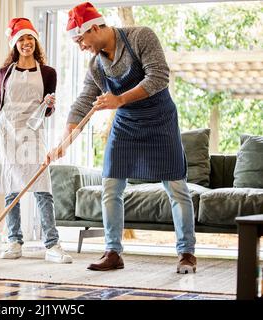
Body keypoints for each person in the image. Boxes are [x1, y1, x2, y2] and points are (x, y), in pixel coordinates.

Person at [46, 2, 196, 273]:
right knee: (111, 186)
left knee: (176, 187)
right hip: (126, 125)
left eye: (81, 40)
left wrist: (120, 100)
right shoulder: (96, 65)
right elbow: (83, 103)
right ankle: (113, 252)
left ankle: (186, 253)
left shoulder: (141, 36)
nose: (81, 46)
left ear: (93, 27)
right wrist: (63, 142)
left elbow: (159, 77)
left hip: (160, 121)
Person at [0, 17, 72, 264]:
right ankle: (14, 241)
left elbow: (48, 111)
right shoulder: (4, 72)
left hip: (32, 133)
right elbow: (1, 107)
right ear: (15, 44)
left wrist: (49, 105)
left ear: (35, 41)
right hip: (7, 133)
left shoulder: (48, 73)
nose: (26, 42)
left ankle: (52, 244)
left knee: (42, 188)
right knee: (12, 188)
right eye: (21, 39)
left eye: (29, 38)